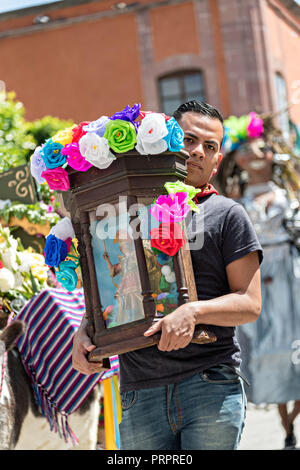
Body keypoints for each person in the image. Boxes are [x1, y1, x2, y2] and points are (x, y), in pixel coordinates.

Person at [72, 100, 263, 450]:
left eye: (210, 147)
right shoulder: (126, 209)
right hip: (139, 391)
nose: (198, 152)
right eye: (189, 139)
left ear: (218, 161)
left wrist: (193, 311)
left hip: (209, 386)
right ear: (167, 140)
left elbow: (249, 303)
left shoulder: (227, 215)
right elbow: (115, 282)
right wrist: (87, 332)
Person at [224, 136, 300, 450]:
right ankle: (287, 428)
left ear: (273, 156)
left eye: (261, 149)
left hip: (290, 276)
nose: (254, 155)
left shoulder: (288, 196)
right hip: (257, 274)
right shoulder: (235, 203)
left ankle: (290, 424)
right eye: (245, 150)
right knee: (266, 347)